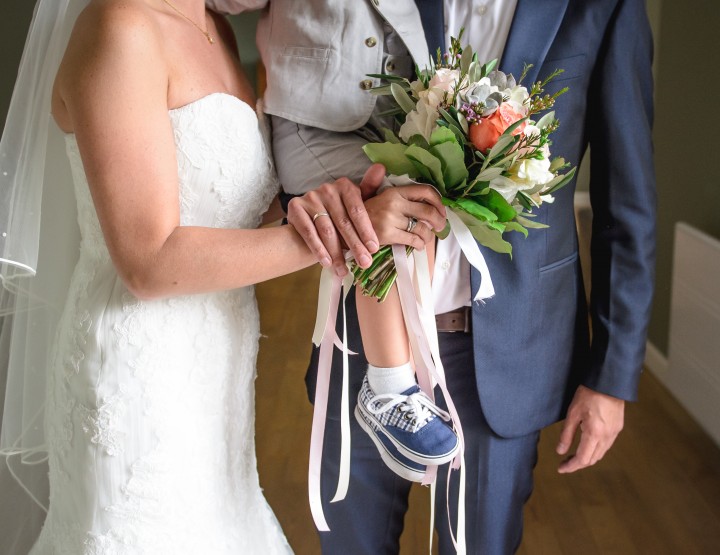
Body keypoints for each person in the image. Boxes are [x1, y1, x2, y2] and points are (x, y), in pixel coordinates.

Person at [207, 0, 656, 553]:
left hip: (509, 348)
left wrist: (611, 378)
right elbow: (314, 98)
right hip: (364, 337)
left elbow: (626, 202)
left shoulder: (605, 8)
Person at [0, 0, 448, 553]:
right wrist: (329, 237)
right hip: (137, 376)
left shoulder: (217, 31)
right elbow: (149, 260)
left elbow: (230, 208)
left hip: (217, 373)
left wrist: (337, 207)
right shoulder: (120, 26)